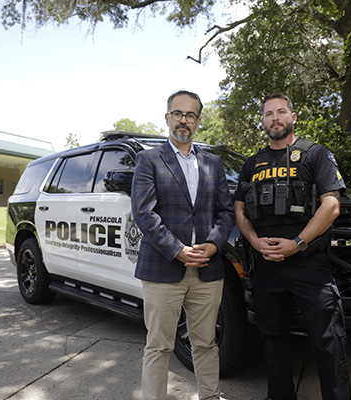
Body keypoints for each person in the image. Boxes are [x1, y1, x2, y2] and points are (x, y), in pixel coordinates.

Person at [234, 92, 351, 400]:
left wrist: (297, 243)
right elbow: (239, 211)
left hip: (309, 265)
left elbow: (331, 206)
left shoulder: (315, 155)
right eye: (269, 113)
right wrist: (255, 241)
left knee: (329, 340)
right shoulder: (252, 164)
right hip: (267, 266)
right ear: (262, 121)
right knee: (272, 339)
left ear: (293, 117)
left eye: (281, 112)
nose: (275, 118)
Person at [131, 90, 235, 400]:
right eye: (178, 114)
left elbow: (226, 212)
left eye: (190, 115)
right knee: (159, 345)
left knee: (205, 344)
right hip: (164, 268)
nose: (183, 121)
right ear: (167, 117)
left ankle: (211, 396)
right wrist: (177, 250)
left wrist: (214, 245)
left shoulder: (212, 163)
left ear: (199, 121)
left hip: (207, 269)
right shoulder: (149, 159)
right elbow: (143, 213)